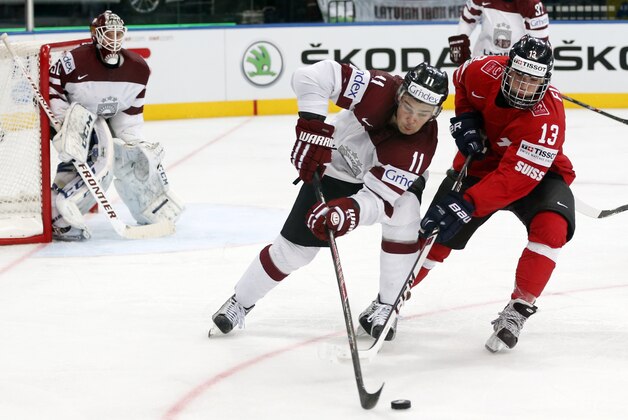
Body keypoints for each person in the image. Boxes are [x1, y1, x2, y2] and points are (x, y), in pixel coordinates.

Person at [209, 59, 449, 340]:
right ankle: (240, 301)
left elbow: (380, 201)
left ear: (436, 112)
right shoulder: (377, 87)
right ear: (400, 95)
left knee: (404, 210)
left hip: (381, 185)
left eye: (424, 113)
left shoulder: (418, 149)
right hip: (336, 164)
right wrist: (312, 128)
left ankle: (388, 306)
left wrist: (348, 212)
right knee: (294, 251)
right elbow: (310, 76)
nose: (412, 119)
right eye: (408, 106)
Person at [405, 35, 575, 353]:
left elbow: (515, 180)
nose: (524, 86)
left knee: (553, 228)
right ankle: (390, 298)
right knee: (436, 230)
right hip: (481, 164)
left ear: (545, 81)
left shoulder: (548, 120)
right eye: (519, 76)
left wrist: (469, 203)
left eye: (533, 80)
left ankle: (518, 309)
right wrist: (467, 118)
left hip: (536, 175)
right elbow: (463, 81)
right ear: (506, 69)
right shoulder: (485, 70)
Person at [48, 10, 184, 241]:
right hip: (77, 117)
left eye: (117, 33)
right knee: (90, 158)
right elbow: (54, 85)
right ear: (96, 35)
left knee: (133, 156)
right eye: (107, 33)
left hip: (108, 117)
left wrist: (131, 141)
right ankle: (57, 214)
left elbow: (130, 112)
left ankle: (150, 208)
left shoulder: (138, 68)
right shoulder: (74, 60)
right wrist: (63, 121)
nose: (112, 38)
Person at [448, 0, 550, 66]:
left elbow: (539, 45)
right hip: (482, 61)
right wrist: (460, 38)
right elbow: (468, 19)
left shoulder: (533, 5)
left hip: (514, 67)